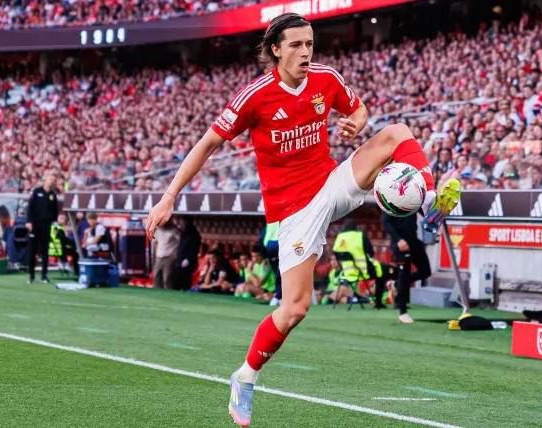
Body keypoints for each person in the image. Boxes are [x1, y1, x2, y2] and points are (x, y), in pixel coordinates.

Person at [145, 13, 460, 426]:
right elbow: (206, 145)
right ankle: (245, 376)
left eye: (309, 44)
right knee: (295, 308)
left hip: (331, 182)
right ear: (276, 49)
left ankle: (429, 200)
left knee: (397, 132)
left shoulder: (326, 78)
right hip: (294, 211)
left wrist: (357, 122)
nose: (305, 52)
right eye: (296, 45)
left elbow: (359, 109)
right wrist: (169, 197)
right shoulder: (254, 96)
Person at [382, 212, 431, 324]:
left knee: (425, 271)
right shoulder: (391, 203)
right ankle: (403, 313)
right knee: (404, 276)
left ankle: (396, 284)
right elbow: (386, 222)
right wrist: (398, 240)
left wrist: (437, 215)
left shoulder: (414, 202)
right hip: (400, 243)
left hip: (414, 240)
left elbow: (425, 212)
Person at [332, 218, 384, 307]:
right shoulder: (360, 236)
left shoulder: (340, 237)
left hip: (346, 273)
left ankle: (362, 298)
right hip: (363, 271)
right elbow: (371, 253)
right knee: (382, 272)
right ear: (355, 227)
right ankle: (378, 302)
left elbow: (336, 254)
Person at [26, 173, 59, 284]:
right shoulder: (36, 191)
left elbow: (55, 212)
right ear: (45, 179)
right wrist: (29, 221)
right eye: (50, 179)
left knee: (45, 251)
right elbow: (30, 207)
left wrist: (55, 225)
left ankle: (44, 276)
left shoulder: (53, 195)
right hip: (35, 225)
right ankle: (31, 275)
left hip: (46, 226)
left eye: (53, 180)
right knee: (32, 250)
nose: (51, 181)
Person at [174, 216, 202, 291]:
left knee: (186, 280)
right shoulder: (184, 233)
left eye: (184, 222)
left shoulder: (194, 234)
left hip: (188, 261)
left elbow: (194, 249)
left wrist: (188, 259)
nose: (183, 223)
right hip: (180, 259)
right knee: (177, 280)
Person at [153, 219, 180, 290]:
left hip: (169, 257)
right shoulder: (158, 230)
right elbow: (155, 242)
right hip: (159, 257)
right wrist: (156, 252)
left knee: (167, 278)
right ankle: (157, 292)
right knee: (156, 275)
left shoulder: (174, 231)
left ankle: (169, 293)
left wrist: (175, 254)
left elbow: (180, 243)